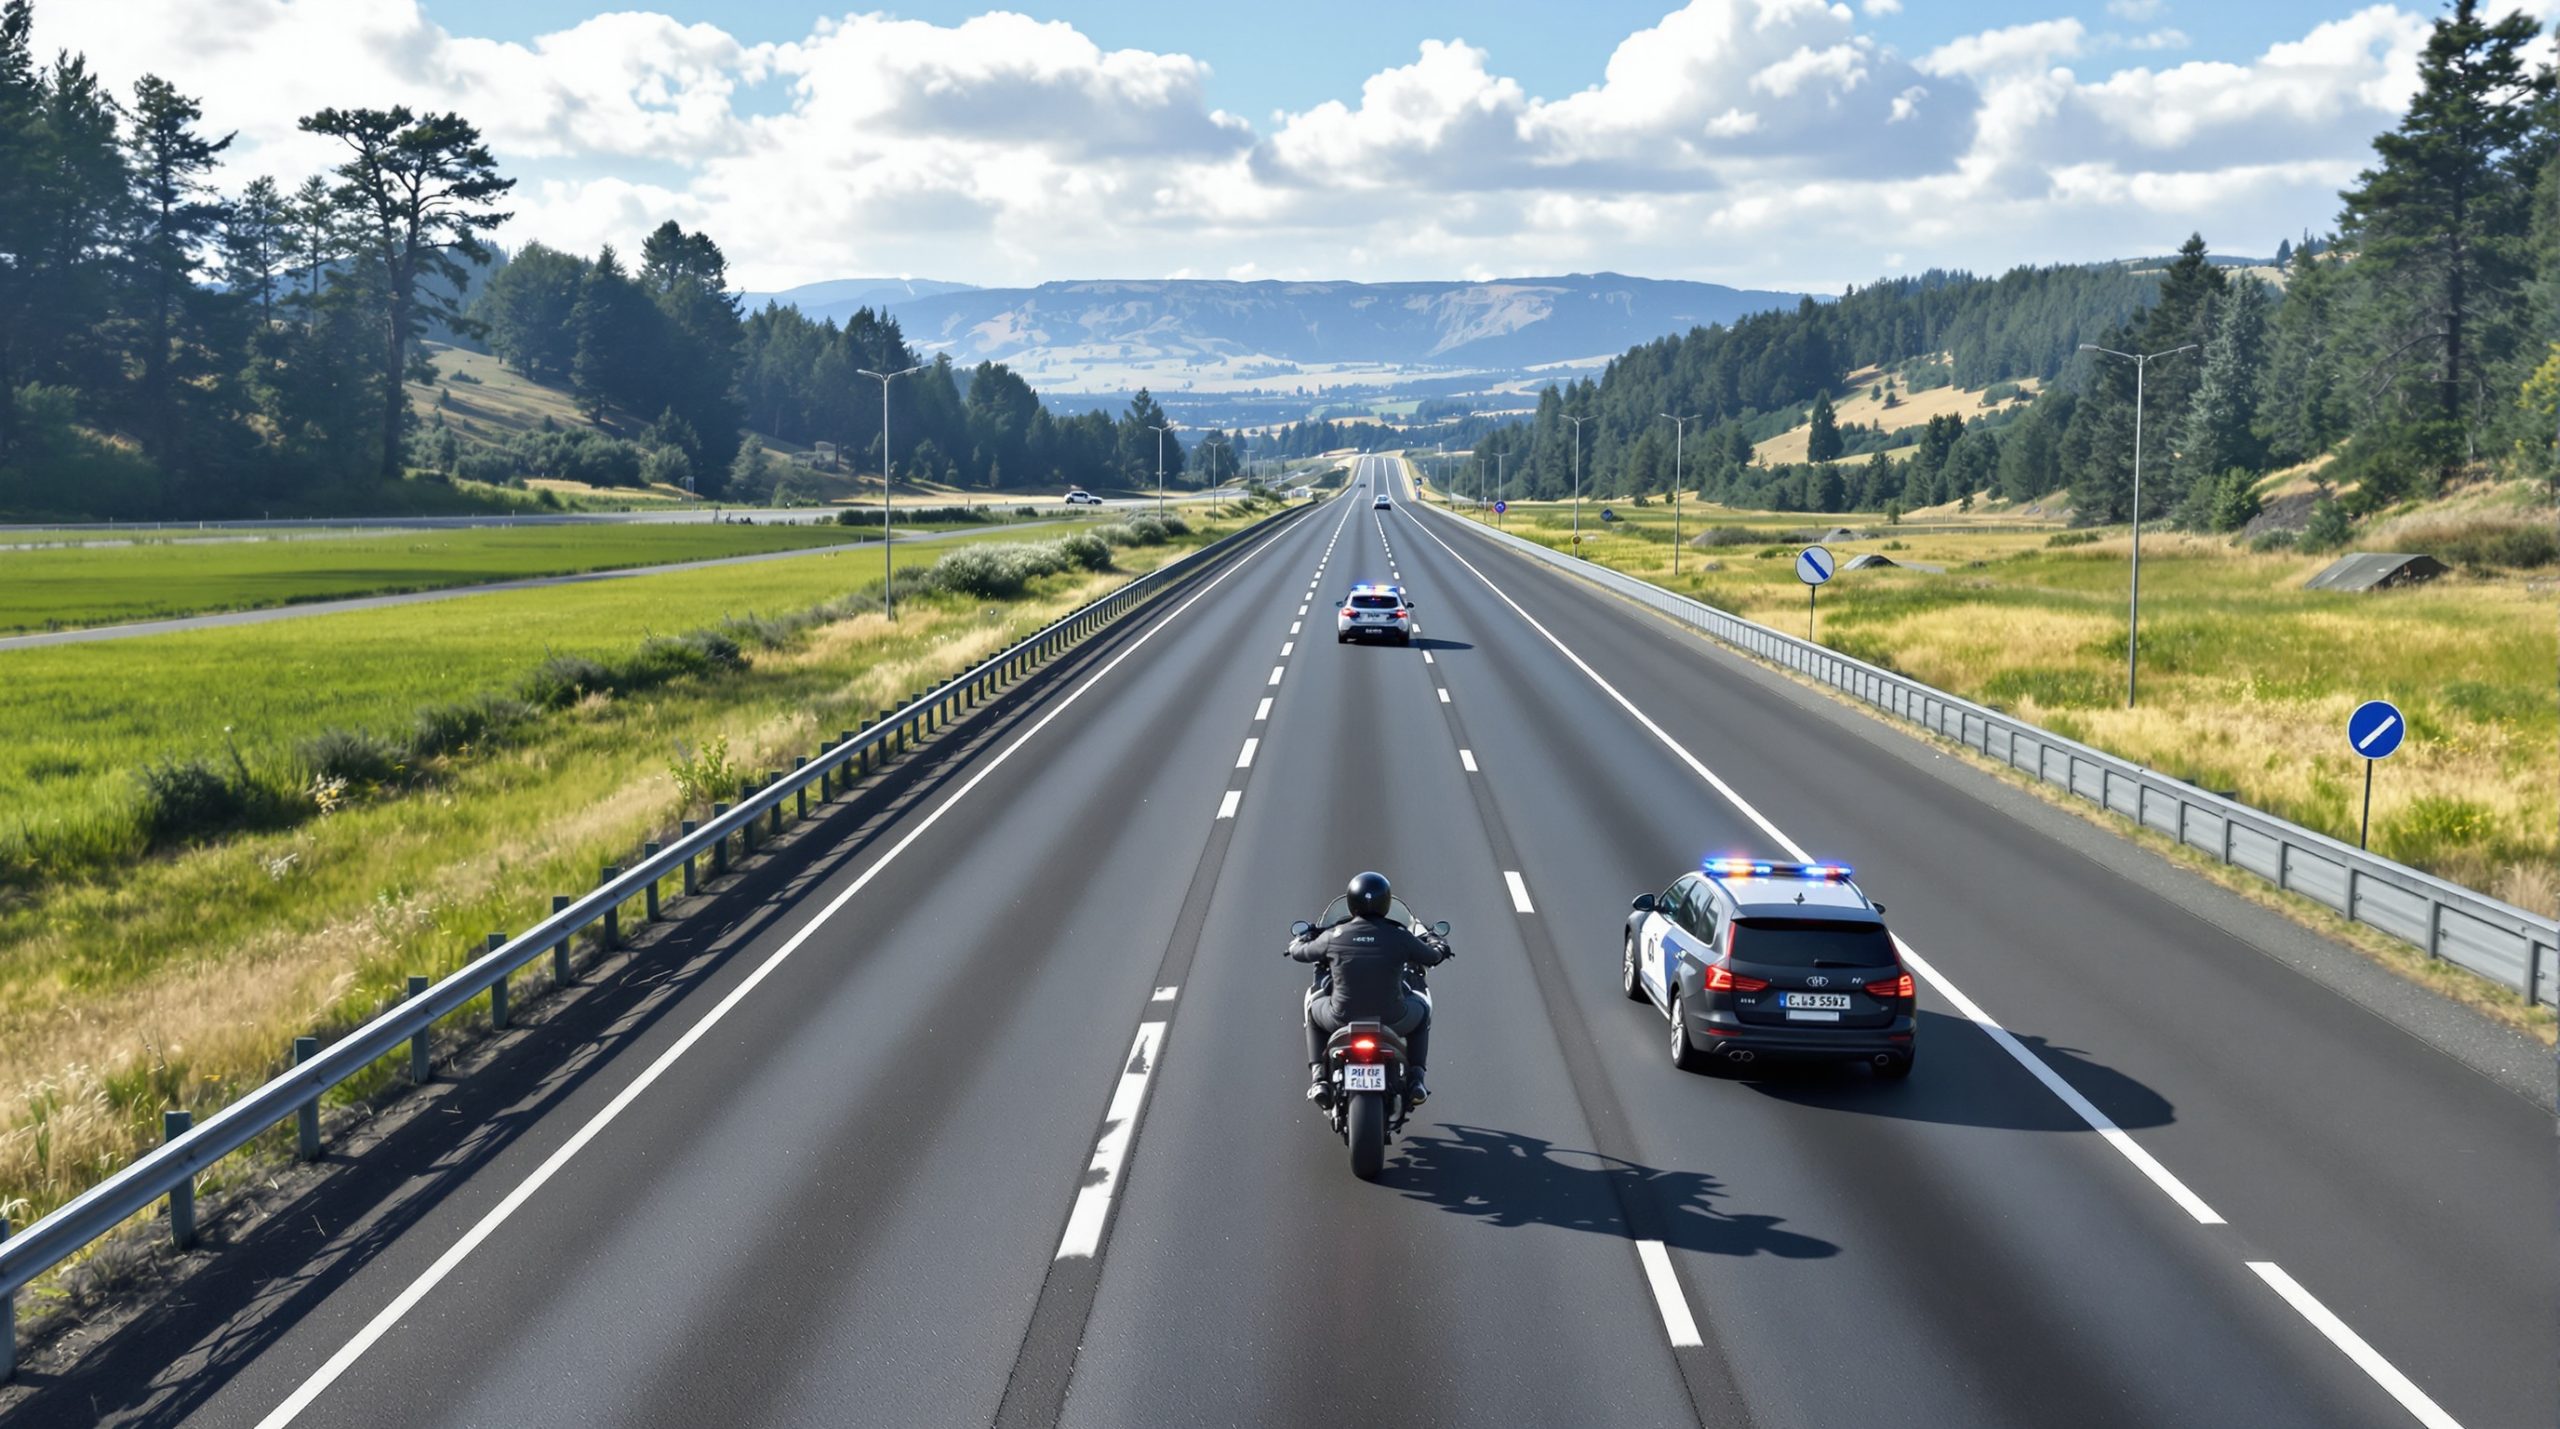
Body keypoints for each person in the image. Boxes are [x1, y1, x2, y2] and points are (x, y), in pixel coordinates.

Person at [1289, 870, 1450, 1106]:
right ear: (1386, 904)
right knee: (1423, 1010)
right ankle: (1416, 1079)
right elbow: (1433, 956)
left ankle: (1319, 1078)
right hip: (1394, 1019)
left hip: (1340, 1019)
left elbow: (1300, 953)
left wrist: (1299, 940)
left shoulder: (1334, 935)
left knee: (1313, 1008)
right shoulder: (1400, 937)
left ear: (1351, 903)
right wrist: (1439, 943)